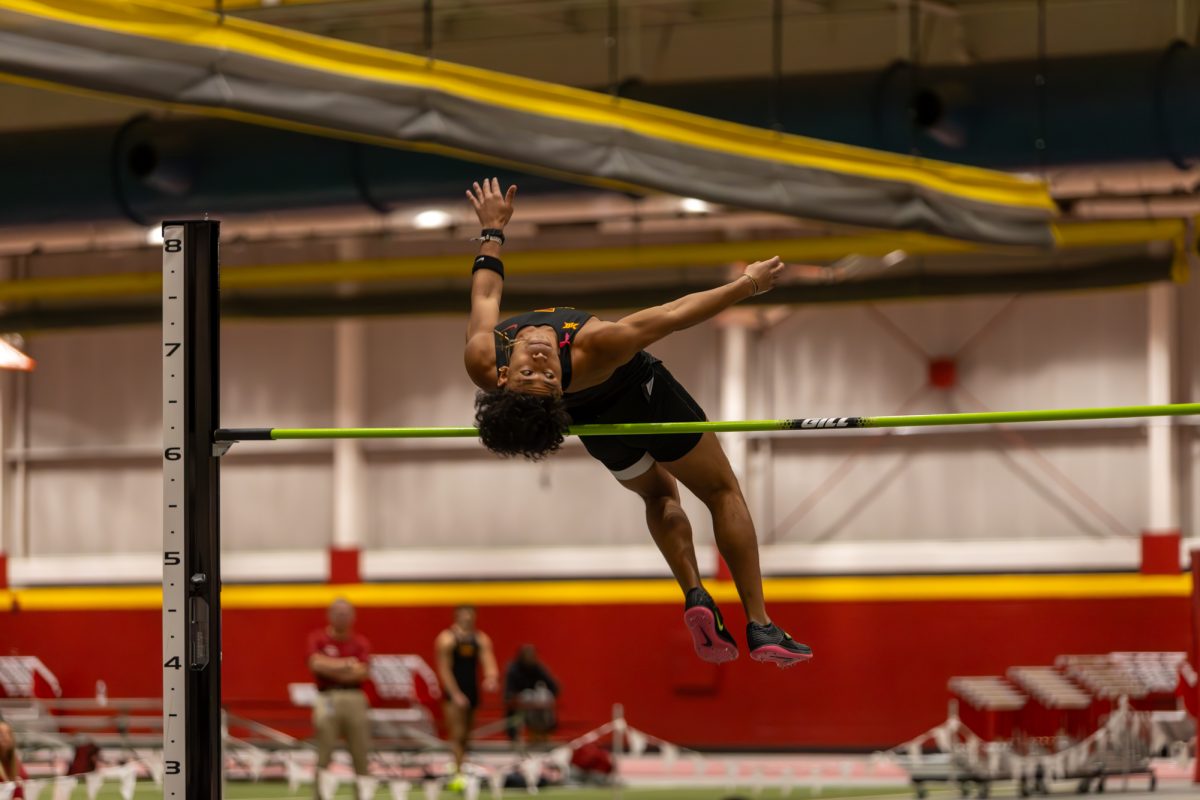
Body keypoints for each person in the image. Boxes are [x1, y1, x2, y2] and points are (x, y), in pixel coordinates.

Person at [462, 178, 812, 668]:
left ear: (502, 375)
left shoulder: (484, 356)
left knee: (658, 495)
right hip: (643, 398)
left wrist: (492, 229)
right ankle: (760, 624)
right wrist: (747, 284)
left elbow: (486, 293)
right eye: (543, 373)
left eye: (534, 372)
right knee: (720, 492)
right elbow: (671, 315)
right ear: (558, 391)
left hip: (595, 421)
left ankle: (696, 595)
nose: (540, 359)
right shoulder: (594, 346)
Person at [307, 599, 372, 785]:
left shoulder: (360, 643)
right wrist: (346, 664)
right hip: (327, 697)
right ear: (329, 615)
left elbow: (362, 672)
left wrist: (330, 669)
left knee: (360, 752)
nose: (341, 617)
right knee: (324, 750)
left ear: (353, 616)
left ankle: (363, 795)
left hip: (355, 698)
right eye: (337, 613)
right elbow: (315, 664)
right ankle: (319, 796)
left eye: (345, 613)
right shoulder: (318, 638)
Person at [435, 606, 499, 784]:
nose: (467, 619)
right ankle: (457, 772)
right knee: (457, 733)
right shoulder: (447, 639)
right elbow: (444, 668)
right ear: (456, 617)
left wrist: (491, 677)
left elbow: (488, 660)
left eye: (470, 616)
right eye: (464, 616)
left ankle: (462, 765)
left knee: (467, 734)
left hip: (472, 690)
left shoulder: (479, 638)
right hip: (453, 691)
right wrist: (455, 693)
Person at [503, 644, 559, 743]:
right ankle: (532, 731)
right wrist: (516, 700)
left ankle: (543, 731)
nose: (530, 659)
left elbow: (553, 686)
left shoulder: (537, 668)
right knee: (527, 696)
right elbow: (509, 692)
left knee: (544, 696)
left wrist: (548, 700)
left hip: (535, 701)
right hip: (520, 700)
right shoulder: (513, 669)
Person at [0, 720, 28, 797]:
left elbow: (24, 779)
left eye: (7, 733)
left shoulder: (14, 761)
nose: (5, 737)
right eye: (0, 733)